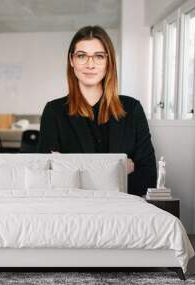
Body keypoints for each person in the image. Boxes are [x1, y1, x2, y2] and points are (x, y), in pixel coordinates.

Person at [37, 26, 157, 196]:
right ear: (72, 61)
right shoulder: (54, 112)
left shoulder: (132, 108)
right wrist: (119, 170)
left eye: (99, 56)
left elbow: (148, 177)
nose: (90, 64)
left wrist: (74, 168)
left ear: (109, 62)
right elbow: (48, 179)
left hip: (123, 210)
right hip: (75, 211)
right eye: (82, 56)